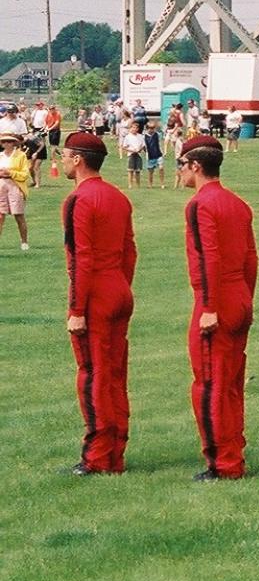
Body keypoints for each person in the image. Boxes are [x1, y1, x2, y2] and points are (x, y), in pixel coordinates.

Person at [178, 134, 258, 480]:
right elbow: (251, 258)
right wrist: (246, 296)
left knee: (210, 384)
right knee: (231, 383)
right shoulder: (238, 204)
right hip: (239, 294)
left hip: (216, 299)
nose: (179, 171)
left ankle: (222, 463)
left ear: (195, 166)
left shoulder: (200, 204)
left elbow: (208, 255)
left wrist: (209, 305)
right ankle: (233, 452)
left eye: (181, 165)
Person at [60, 132, 137, 475]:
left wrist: (77, 310)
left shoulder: (78, 199)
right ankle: (115, 451)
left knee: (93, 375)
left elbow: (81, 259)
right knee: (116, 373)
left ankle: (98, 457)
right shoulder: (118, 197)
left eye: (64, 155)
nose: (60, 161)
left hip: (96, 294)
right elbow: (130, 250)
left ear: (77, 159)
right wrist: (122, 285)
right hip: (119, 287)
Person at [0, 132, 28, 249]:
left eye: (9, 141)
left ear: (14, 143)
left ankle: (24, 241)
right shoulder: (0, 156)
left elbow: (25, 174)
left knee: (18, 215)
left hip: (15, 185)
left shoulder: (21, 156)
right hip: (1, 185)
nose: (7, 144)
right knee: (0, 215)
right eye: (4, 141)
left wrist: (10, 173)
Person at [119, 118, 148, 188]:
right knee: (130, 170)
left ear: (138, 129)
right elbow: (124, 147)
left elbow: (143, 145)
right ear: (130, 128)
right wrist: (132, 150)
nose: (134, 129)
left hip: (138, 154)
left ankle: (138, 185)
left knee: (138, 171)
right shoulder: (128, 137)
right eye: (133, 128)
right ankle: (130, 184)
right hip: (131, 154)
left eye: (136, 128)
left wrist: (140, 149)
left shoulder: (140, 136)